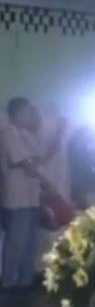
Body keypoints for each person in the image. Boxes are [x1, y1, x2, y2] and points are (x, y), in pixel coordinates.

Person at [1, 97, 68, 291]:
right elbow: (27, 165)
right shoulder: (8, 134)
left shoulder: (27, 135)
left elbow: (43, 158)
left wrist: (58, 135)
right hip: (17, 198)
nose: (31, 114)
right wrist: (49, 185)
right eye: (28, 111)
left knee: (30, 242)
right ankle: (9, 282)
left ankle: (25, 280)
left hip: (31, 196)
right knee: (17, 242)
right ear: (17, 113)